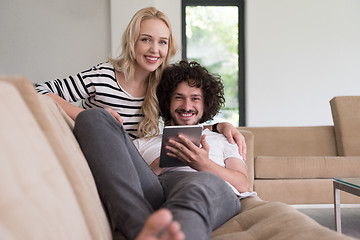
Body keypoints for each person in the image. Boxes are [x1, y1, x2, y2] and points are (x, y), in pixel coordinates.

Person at [73, 60, 252, 239]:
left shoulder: (223, 138)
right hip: (157, 190)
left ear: (205, 104)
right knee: (94, 116)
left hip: (208, 190)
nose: (187, 106)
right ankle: (140, 229)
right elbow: (127, 180)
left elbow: (243, 184)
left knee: (199, 184)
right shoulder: (143, 143)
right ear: (167, 102)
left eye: (195, 98)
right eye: (179, 97)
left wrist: (204, 164)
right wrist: (160, 163)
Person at [34, 6, 247, 157]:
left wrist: (220, 126)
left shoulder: (164, 87)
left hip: (138, 166)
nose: (155, 49)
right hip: (101, 159)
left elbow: (182, 125)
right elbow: (37, 90)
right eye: (146, 39)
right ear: (132, 42)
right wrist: (92, 117)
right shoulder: (104, 76)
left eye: (162, 42)